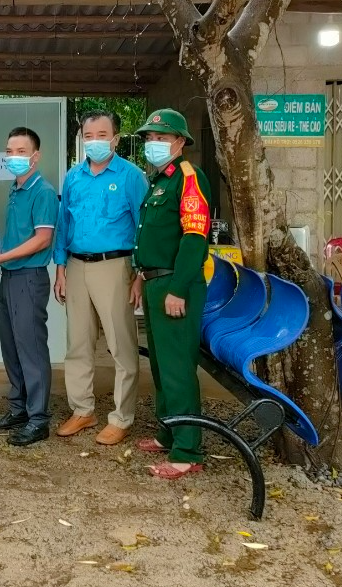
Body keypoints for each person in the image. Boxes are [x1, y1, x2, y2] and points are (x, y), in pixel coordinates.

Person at [52, 110, 148, 446]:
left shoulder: (131, 176)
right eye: (88, 136)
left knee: (120, 345)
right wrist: (61, 268)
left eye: (102, 134)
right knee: (77, 343)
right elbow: (64, 224)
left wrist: (139, 275)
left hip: (116, 266)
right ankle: (82, 410)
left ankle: (122, 418)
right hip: (76, 266)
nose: (94, 142)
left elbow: (143, 226)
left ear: (116, 138)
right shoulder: (74, 177)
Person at [132, 108, 211, 479]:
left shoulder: (188, 178)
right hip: (154, 282)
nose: (154, 144)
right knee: (162, 366)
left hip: (176, 284)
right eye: (149, 138)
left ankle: (187, 451)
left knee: (178, 368)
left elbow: (195, 238)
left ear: (180, 142)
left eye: (161, 138)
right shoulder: (160, 180)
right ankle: (168, 431)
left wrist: (178, 288)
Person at [0, 127, 59, 446]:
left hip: (28, 277)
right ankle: (18, 409)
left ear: (35, 157)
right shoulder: (16, 188)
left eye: (20, 152)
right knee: (11, 345)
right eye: (9, 152)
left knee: (31, 348)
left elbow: (42, 239)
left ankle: (38, 419)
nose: (13, 157)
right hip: (9, 276)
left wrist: (1, 257)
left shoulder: (43, 191)